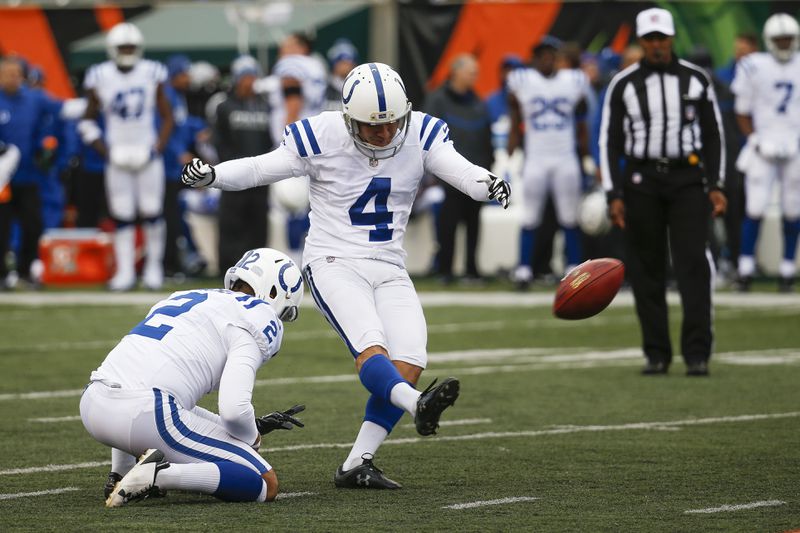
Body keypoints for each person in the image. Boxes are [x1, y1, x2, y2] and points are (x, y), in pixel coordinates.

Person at [182, 62, 510, 488]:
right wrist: (214, 176)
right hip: (334, 260)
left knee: (409, 359)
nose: (385, 134)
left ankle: (358, 462)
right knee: (370, 347)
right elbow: (263, 168)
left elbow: (461, 170)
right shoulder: (322, 134)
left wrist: (489, 184)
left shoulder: (421, 133)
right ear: (348, 117)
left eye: (392, 124)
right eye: (373, 126)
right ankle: (418, 406)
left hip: (390, 263)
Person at [80, 247, 306, 507]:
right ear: (276, 293)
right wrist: (252, 439)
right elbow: (234, 410)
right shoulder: (259, 314)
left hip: (93, 402)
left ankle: (120, 474)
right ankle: (160, 476)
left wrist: (248, 426)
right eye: (285, 312)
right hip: (146, 412)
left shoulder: (186, 296)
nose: (280, 318)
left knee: (149, 390)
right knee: (265, 482)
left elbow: (136, 372)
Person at [599, 8, 727, 376]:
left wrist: (715, 184)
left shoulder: (696, 79)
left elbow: (714, 134)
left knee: (692, 264)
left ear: (672, 39)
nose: (656, 45)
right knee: (646, 267)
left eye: (662, 38)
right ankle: (656, 352)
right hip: (641, 181)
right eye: (650, 39)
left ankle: (697, 352)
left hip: (688, 179)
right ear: (641, 41)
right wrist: (613, 194)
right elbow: (609, 140)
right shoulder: (623, 83)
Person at [79, 22, 174, 291]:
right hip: (117, 154)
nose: (128, 51)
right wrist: (106, 151)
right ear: (113, 49)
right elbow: (87, 121)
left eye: (131, 47)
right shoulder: (99, 76)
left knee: (152, 210)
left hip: (146, 152)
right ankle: (125, 271)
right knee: (121, 213)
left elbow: (167, 117)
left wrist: (157, 147)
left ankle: (153, 268)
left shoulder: (152, 72)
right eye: (124, 47)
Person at [507, 37, 595, 289]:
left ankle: (574, 268)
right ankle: (523, 270)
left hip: (565, 156)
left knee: (570, 215)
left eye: (550, 54)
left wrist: (586, 155)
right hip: (536, 157)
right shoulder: (522, 81)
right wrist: (511, 148)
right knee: (530, 216)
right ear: (534, 58)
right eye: (541, 54)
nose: (546, 59)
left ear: (556, 57)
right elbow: (514, 117)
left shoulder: (573, 81)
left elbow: (581, 121)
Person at [731, 13, 800, 293]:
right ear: (769, 41)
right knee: (755, 207)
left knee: (793, 209)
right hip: (763, 142)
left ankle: (787, 269)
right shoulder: (753, 66)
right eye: (779, 40)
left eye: (788, 40)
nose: (784, 45)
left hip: (795, 143)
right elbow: (742, 110)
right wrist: (755, 138)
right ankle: (745, 268)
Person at [424, 54, 493, 283]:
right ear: (456, 72)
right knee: (448, 225)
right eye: (471, 71)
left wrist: (487, 169)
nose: (475, 75)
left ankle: (472, 269)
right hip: (447, 177)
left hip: (475, 174)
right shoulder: (438, 100)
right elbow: (425, 137)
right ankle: (445, 270)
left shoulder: (478, 103)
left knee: (474, 224)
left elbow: (486, 138)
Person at [212, 55, 273, 273]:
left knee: (258, 225)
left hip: (260, 178)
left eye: (252, 76)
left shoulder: (266, 107)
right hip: (234, 177)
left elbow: (271, 140)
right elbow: (219, 142)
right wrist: (231, 170)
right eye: (245, 76)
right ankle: (227, 268)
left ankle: (257, 270)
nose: (249, 81)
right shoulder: (224, 107)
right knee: (231, 224)